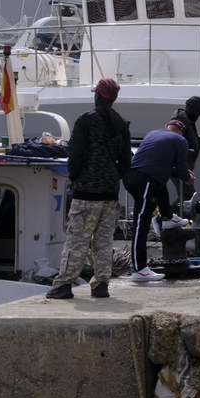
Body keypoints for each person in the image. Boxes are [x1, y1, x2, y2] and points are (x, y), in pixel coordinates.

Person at [46, 78, 130, 300]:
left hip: (87, 192)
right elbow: (126, 162)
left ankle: (64, 284)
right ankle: (101, 284)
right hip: (110, 192)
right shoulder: (122, 124)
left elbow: (75, 154)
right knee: (103, 241)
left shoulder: (86, 120)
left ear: (98, 96)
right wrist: (112, 178)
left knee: (77, 239)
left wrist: (76, 177)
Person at [125, 117, 192, 282]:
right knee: (141, 223)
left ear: (166, 127)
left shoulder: (153, 134)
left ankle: (169, 218)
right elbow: (182, 168)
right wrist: (188, 177)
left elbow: (164, 167)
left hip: (132, 176)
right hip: (145, 179)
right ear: (181, 132)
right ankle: (139, 269)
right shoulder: (181, 140)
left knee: (161, 183)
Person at [173, 96, 200, 205]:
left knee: (186, 197)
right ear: (188, 107)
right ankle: (164, 218)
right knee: (189, 197)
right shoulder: (180, 121)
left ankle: (167, 217)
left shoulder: (189, 121)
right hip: (180, 167)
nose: (198, 114)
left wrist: (197, 141)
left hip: (184, 168)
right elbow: (174, 141)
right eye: (197, 111)